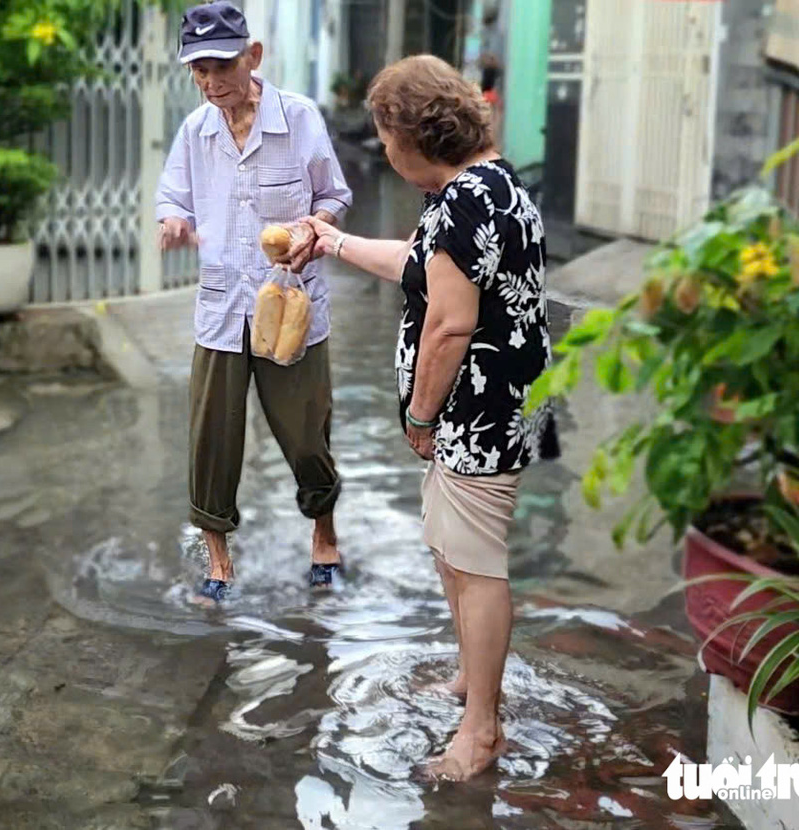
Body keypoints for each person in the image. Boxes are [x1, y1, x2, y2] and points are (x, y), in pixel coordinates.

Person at [304, 55, 559, 781]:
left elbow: (448, 325)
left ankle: (481, 730)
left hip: (480, 408)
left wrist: (418, 415)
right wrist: (333, 243)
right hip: (497, 401)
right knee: (454, 551)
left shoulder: (463, 202)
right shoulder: (491, 182)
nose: (383, 150)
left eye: (387, 136)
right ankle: (470, 683)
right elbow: (421, 265)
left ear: (418, 136)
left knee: (476, 565)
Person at [155, 1, 354, 604]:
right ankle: (218, 557)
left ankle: (324, 531)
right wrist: (172, 222)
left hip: (290, 304)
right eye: (197, 71)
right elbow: (174, 198)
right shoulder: (197, 132)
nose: (210, 83)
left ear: (254, 57)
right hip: (221, 309)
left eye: (220, 66)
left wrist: (312, 229)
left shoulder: (299, 119)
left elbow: (334, 195)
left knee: (305, 432)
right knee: (211, 435)